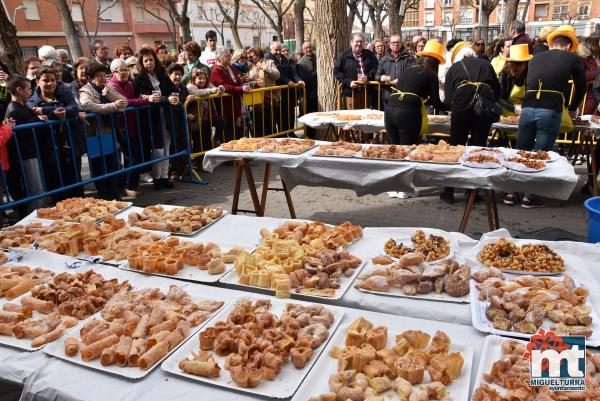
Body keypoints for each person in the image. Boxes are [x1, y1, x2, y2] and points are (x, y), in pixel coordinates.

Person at [515, 25, 586, 208]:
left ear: (551, 43)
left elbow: (521, 81)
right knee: (540, 154)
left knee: (521, 152)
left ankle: (510, 192)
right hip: (549, 110)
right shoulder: (573, 58)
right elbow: (582, 87)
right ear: (569, 46)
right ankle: (530, 197)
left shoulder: (535, 58)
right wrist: (571, 108)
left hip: (527, 109)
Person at [441, 42, 500, 204]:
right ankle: (472, 192)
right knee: (477, 150)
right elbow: (497, 90)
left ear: (459, 56)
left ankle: (449, 191)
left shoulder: (454, 68)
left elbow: (447, 98)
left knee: (456, 149)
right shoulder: (487, 65)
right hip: (482, 112)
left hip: (460, 111)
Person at [27, 65, 82, 201]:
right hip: (48, 149)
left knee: (75, 181)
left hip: (70, 145)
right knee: (55, 183)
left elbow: (74, 108)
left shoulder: (65, 92)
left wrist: (46, 111)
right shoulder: (33, 100)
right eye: (45, 80)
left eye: (52, 80)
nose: (50, 83)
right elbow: (31, 112)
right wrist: (52, 112)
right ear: (37, 81)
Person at [384, 40, 449, 146]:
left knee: (394, 151)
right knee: (408, 151)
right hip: (407, 114)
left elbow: (412, 90)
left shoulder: (409, 69)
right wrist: (452, 106)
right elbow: (436, 103)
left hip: (389, 111)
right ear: (436, 62)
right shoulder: (431, 75)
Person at [79, 63, 127, 200]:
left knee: (112, 163)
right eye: (98, 76)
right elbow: (87, 105)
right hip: (94, 134)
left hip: (109, 131)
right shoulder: (85, 90)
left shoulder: (108, 88)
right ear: (90, 78)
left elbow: (124, 102)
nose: (102, 78)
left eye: (103, 75)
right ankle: (104, 195)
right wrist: (112, 106)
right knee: (99, 165)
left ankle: (114, 193)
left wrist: (109, 93)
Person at [134, 47, 179, 190]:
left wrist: (172, 97)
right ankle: (157, 178)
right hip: (152, 117)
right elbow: (148, 97)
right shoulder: (140, 79)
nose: (149, 63)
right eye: (145, 60)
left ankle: (164, 176)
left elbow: (173, 89)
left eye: (151, 59)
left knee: (167, 146)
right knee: (158, 150)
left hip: (166, 115)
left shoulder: (162, 74)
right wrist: (166, 98)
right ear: (142, 62)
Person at [4, 75, 49, 215]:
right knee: (35, 189)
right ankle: (34, 217)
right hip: (25, 155)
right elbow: (18, 130)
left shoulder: (23, 106)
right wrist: (36, 119)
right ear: (19, 90)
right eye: (29, 89)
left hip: (31, 152)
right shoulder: (13, 110)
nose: (31, 92)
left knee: (38, 188)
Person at [108, 58, 149, 198]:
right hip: (120, 127)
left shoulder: (130, 84)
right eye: (122, 70)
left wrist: (143, 97)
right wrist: (143, 100)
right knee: (133, 157)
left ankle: (128, 185)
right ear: (114, 72)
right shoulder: (111, 86)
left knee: (131, 158)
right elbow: (124, 102)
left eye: (126, 69)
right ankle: (128, 187)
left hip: (132, 124)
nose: (125, 72)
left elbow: (135, 98)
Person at [210, 47, 252, 143]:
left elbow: (235, 81)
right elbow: (225, 86)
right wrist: (241, 88)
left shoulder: (231, 67)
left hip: (236, 105)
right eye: (227, 56)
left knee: (239, 133)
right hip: (225, 108)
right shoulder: (216, 70)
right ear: (220, 57)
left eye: (230, 55)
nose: (230, 57)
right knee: (228, 135)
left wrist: (242, 80)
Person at [265, 41, 304, 134]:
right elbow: (277, 76)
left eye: (280, 50)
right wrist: (287, 81)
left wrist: (298, 79)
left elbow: (292, 72)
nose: (278, 52)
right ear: (271, 49)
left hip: (288, 92)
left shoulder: (284, 58)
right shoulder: (268, 58)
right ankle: (283, 134)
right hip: (277, 93)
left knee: (290, 113)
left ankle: (291, 132)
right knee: (281, 116)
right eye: (276, 50)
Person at [334, 33, 378, 110]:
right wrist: (348, 82)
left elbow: (376, 67)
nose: (359, 44)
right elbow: (337, 71)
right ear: (351, 42)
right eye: (357, 41)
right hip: (351, 92)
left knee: (366, 117)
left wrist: (368, 77)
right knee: (353, 117)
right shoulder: (343, 55)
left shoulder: (370, 54)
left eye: (361, 42)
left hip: (367, 91)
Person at [186, 68, 222, 153]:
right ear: (193, 79)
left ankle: (215, 140)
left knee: (220, 122)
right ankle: (197, 162)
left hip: (206, 118)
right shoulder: (190, 86)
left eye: (204, 78)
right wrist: (210, 91)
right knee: (198, 142)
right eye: (199, 78)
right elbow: (196, 93)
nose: (202, 80)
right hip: (195, 120)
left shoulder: (207, 84)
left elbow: (215, 88)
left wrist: (220, 89)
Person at [247, 46, 280, 137]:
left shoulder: (269, 62)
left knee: (270, 125)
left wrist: (264, 67)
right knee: (258, 126)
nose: (250, 58)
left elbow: (277, 75)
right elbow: (249, 80)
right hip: (256, 101)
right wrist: (252, 82)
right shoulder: (251, 66)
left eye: (252, 56)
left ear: (258, 55)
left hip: (269, 99)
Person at [166, 63, 191, 180]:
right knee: (173, 147)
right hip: (171, 122)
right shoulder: (166, 88)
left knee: (183, 144)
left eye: (180, 74)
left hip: (182, 122)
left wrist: (189, 99)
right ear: (169, 75)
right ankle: (172, 171)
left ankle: (182, 169)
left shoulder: (183, 87)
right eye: (175, 74)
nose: (177, 77)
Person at [376, 34, 413, 106]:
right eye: (393, 42)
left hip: (403, 96)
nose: (395, 44)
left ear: (401, 43)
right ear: (389, 44)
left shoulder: (408, 58)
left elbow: (411, 74)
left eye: (398, 42)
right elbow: (377, 75)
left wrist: (401, 80)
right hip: (388, 96)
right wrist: (382, 77)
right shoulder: (384, 59)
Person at [497, 44, 531, 118]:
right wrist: (514, 108)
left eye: (525, 63)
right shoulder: (504, 75)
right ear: (513, 64)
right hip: (506, 114)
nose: (524, 66)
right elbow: (499, 98)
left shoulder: (529, 74)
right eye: (521, 64)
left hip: (524, 114)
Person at [297, 42, 318, 138]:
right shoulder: (301, 63)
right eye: (306, 48)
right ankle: (310, 135)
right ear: (303, 49)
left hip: (317, 91)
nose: (308, 49)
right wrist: (316, 73)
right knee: (310, 115)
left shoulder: (317, 57)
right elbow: (304, 79)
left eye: (310, 47)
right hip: (309, 93)